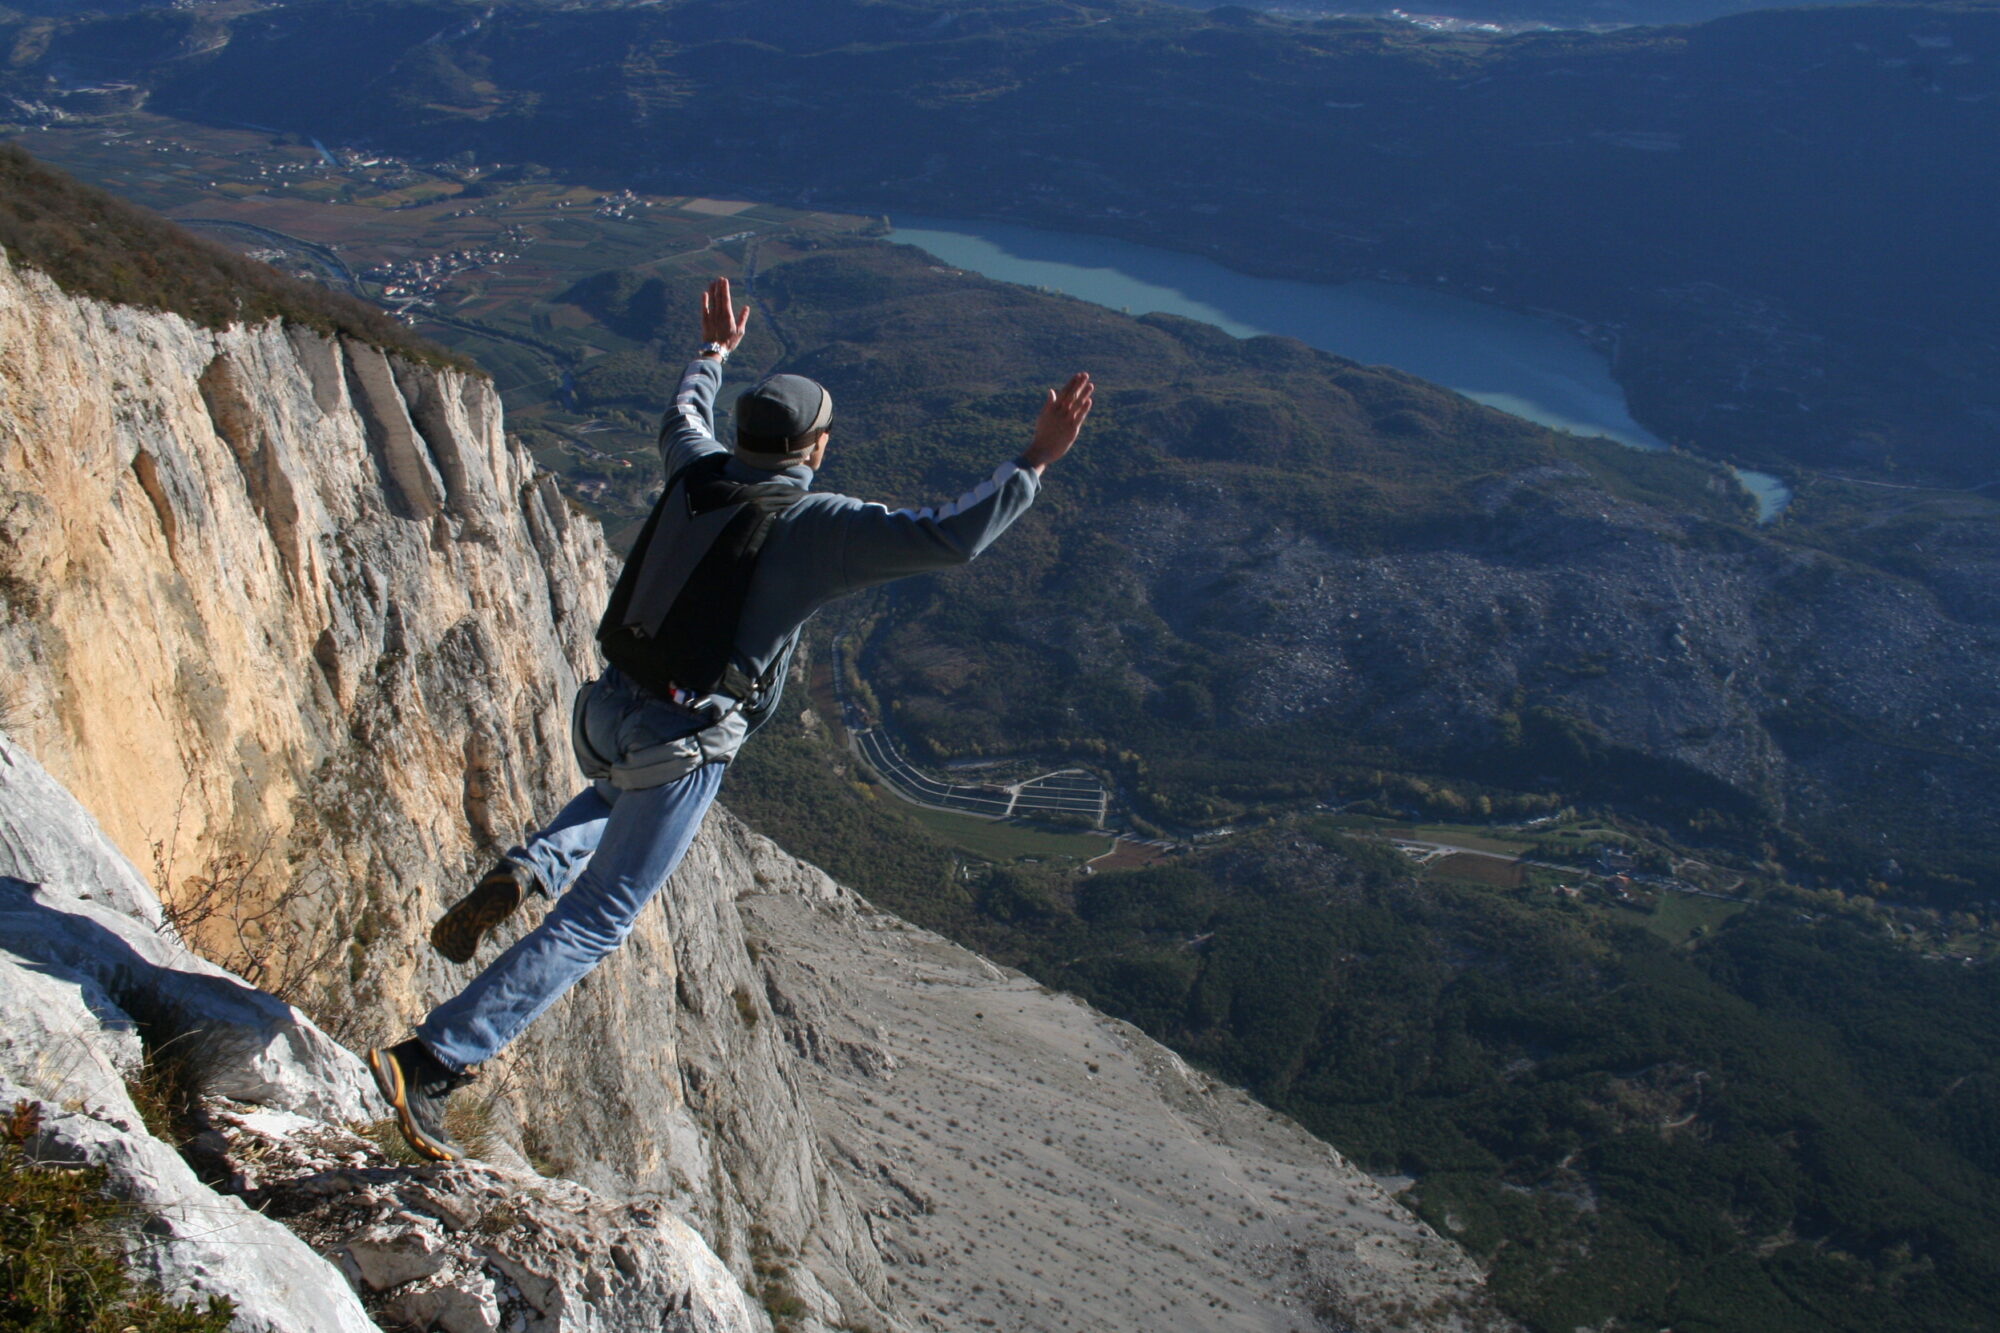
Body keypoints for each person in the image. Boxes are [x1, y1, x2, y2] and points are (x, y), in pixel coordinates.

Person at [369, 277, 1093, 1160]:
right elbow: (952, 534)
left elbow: (682, 409)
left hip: (604, 708)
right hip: (681, 742)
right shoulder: (817, 523)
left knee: (612, 794)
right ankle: (437, 1057)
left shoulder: (695, 466)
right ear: (813, 447)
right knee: (601, 916)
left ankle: (531, 865)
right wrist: (1036, 459)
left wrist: (713, 351)